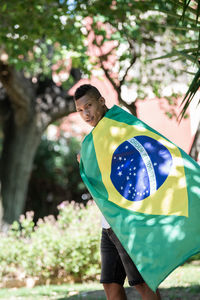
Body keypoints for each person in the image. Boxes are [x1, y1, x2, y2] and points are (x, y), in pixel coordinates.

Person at [74, 84, 161, 300]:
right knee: (111, 285)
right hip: (108, 224)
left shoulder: (119, 127)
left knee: (142, 284)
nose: (85, 114)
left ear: (102, 101)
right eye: (80, 110)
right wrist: (86, 163)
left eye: (89, 106)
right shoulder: (94, 140)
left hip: (125, 221)